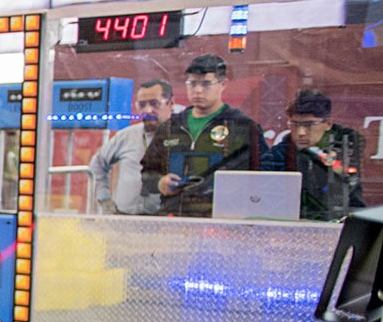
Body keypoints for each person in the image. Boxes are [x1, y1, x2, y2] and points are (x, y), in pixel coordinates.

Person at [140, 54, 263, 219]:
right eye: (192, 83)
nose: (198, 90)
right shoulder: (171, 127)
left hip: (223, 220)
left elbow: (262, 177)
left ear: (223, 84)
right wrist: (159, 182)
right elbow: (147, 173)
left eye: (205, 84)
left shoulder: (241, 127)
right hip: (175, 218)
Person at [261, 89, 366, 222]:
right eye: (294, 124)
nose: (301, 132)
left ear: (328, 124)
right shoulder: (278, 155)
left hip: (341, 223)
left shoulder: (346, 146)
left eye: (309, 125)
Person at [87, 79, 171, 216]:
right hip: (124, 217)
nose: (148, 110)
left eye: (154, 104)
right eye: (142, 105)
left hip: (162, 218)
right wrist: (104, 199)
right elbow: (97, 164)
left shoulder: (180, 136)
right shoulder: (127, 135)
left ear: (170, 104)